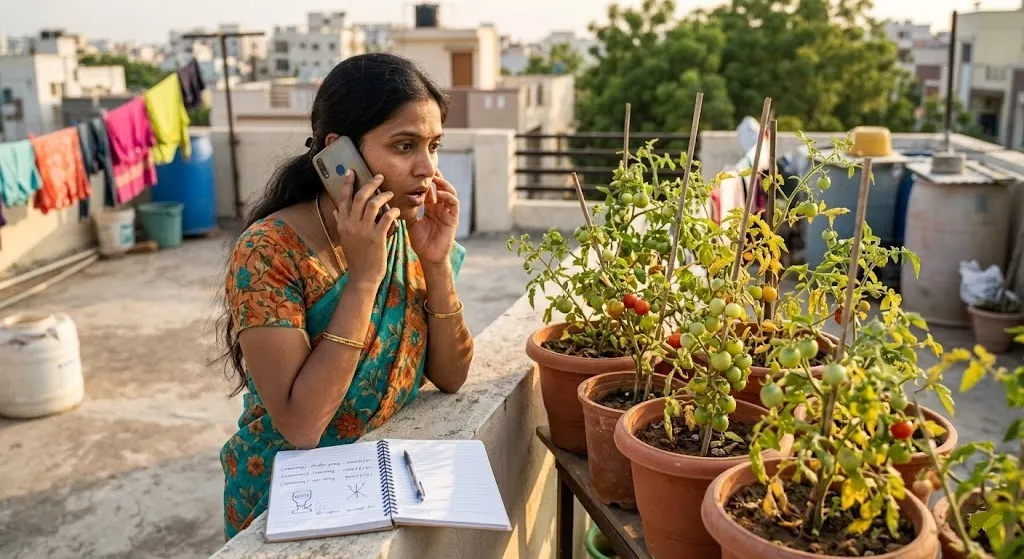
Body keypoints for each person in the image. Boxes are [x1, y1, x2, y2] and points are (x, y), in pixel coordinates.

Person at [214, 53, 474, 540]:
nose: (427, 169)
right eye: (404, 146)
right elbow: (303, 426)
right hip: (285, 500)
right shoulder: (269, 252)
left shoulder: (405, 231)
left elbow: (452, 375)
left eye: (434, 146)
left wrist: (436, 264)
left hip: (379, 482)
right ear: (340, 154)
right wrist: (362, 279)